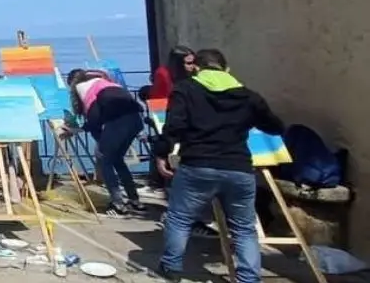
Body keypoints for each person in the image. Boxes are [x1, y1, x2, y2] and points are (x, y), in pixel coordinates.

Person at [152, 49, 285, 283]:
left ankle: (171, 267)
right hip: (238, 168)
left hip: (197, 165)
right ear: (227, 69)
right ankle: (249, 278)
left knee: (180, 218)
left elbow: (174, 127)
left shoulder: (185, 90)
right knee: (244, 229)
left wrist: (161, 154)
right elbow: (274, 126)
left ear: (196, 68)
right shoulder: (248, 96)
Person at [66, 68, 147, 217]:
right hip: (135, 121)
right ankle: (134, 200)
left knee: (103, 157)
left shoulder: (85, 89)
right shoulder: (104, 84)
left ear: (73, 84)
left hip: (119, 122)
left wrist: (75, 129)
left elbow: (95, 119)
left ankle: (117, 203)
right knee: (116, 159)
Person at [142, 45, 195, 199]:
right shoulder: (164, 74)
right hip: (167, 115)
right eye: (188, 63)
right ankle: (160, 184)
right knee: (166, 149)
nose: (193, 67)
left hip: (184, 117)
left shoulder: (190, 76)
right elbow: (160, 97)